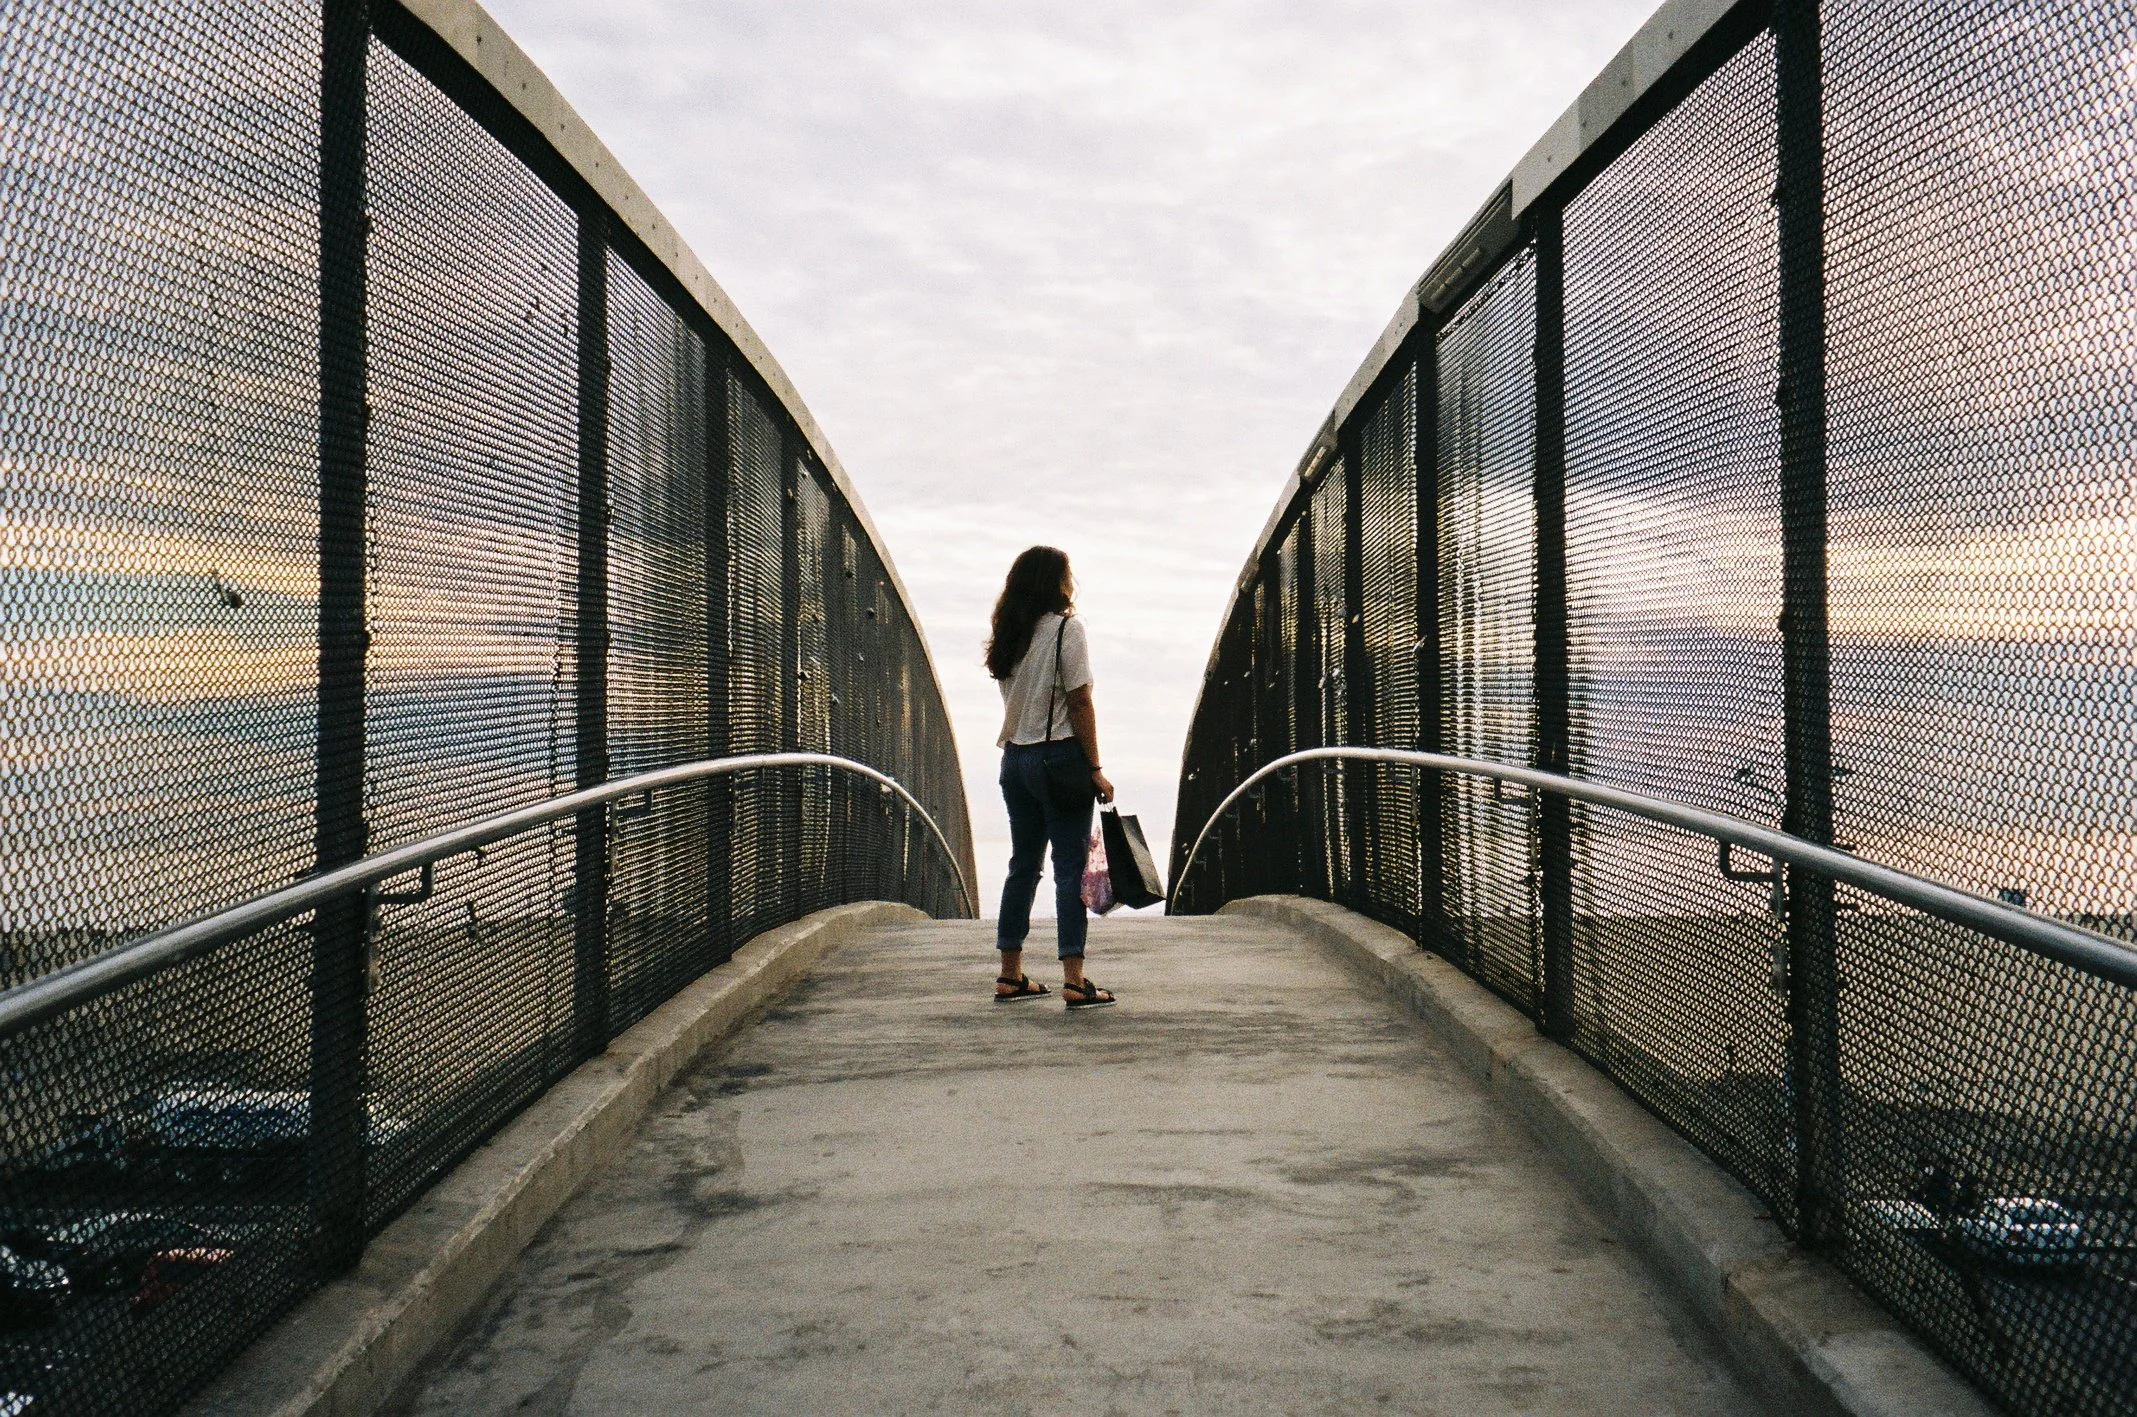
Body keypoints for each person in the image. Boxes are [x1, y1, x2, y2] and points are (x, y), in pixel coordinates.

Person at [985, 546, 1116, 1009]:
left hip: (1014, 761)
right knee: (1069, 871)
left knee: (1023, 865)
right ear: (1055, 582)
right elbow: (1079, 701)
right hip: (1058, 760)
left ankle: (1010, 974)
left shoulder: (1011, 636)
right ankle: (1075, 980)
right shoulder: (1066, 630)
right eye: (1067, 575)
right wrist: (1095, 767)